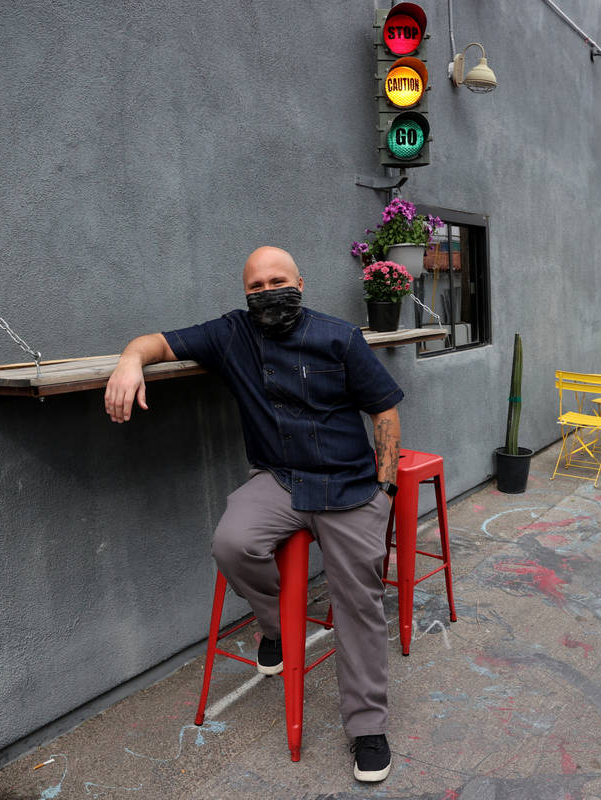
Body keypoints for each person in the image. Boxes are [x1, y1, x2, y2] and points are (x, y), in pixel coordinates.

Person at [104, 246, 402, 782]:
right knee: (232, 543)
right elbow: (157, 342)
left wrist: (384, 488)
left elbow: (384, 410)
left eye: (278, 280)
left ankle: (367, 727)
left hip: (349, 482)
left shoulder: (340, 337)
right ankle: (277, 629)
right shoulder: (231, 334)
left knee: (358, 601)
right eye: (256, 285)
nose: (268, 291)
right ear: (245, 294)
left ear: (300, 283)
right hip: (280, 478)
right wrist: (129, 360)